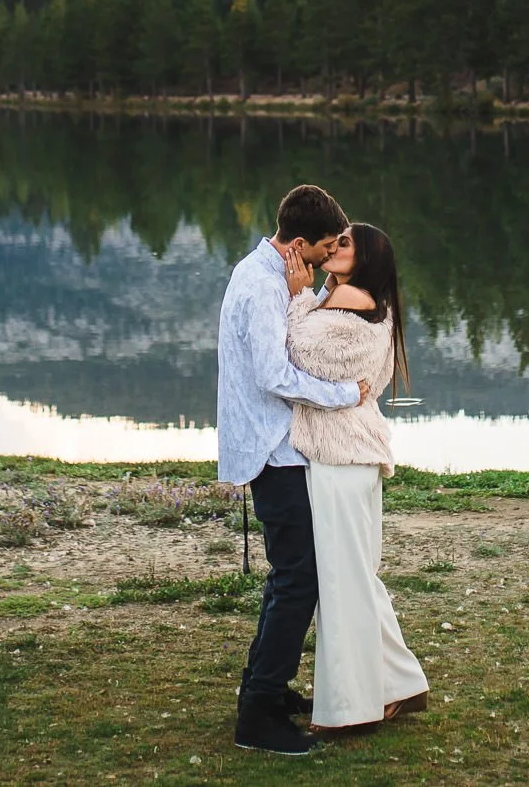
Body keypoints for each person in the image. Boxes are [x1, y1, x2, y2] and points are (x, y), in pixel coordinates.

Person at [217, 183, 372, 757]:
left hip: (278, 446)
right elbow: (273, 376)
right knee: (299, 578)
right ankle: (256, 714)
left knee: (288, 575)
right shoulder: (263, 286)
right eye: (327, 247)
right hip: (272, 449)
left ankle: (266, 690)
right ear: (300, 242)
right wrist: (342, 394)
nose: (332, 257)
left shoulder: (268, 275)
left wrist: (295, 296)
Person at [285, 222, 430, 733]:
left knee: (342, 582)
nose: (333, 246)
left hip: (340, 459)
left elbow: (300, 350)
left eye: (345, 243)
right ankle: (399, 683)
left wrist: (300, 297)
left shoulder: (348, 298)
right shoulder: (377, 310)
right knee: (359, 577)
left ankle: (351, 711)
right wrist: (319, 293)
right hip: (360, 456)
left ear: (363, 259)